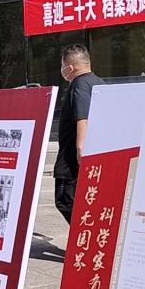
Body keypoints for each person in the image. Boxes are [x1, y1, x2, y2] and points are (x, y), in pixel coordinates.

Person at [54, 44, 105, 224]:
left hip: (72, 157)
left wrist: (80, 148)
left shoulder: (79, 84)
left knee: (65, 199)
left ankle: (84, 235)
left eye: (62, 66)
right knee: (86, 199)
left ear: (69, 68)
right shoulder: (99, 83)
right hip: (96, 150)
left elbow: (82, 117)